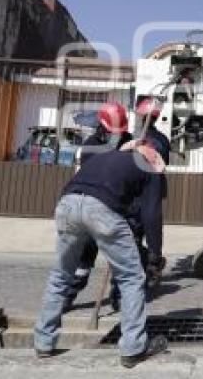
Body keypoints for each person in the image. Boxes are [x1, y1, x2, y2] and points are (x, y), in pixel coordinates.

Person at [33, 140, 168, 368]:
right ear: (153, 158)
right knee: (132, 278)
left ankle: (43, 343)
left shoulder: (104, 157)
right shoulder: (149, 168)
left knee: (60, 275)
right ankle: (133, 348)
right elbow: (152, 214)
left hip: (67, 204)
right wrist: (155, 254)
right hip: (102, 210)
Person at [63, 102, 133, 311]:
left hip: (121, 207)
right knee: (84, 257)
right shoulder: (90, 147)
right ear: (101, 127)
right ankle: (69, 294)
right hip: (93, 207)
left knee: (123, 257)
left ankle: (119, 296)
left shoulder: (129, 142)